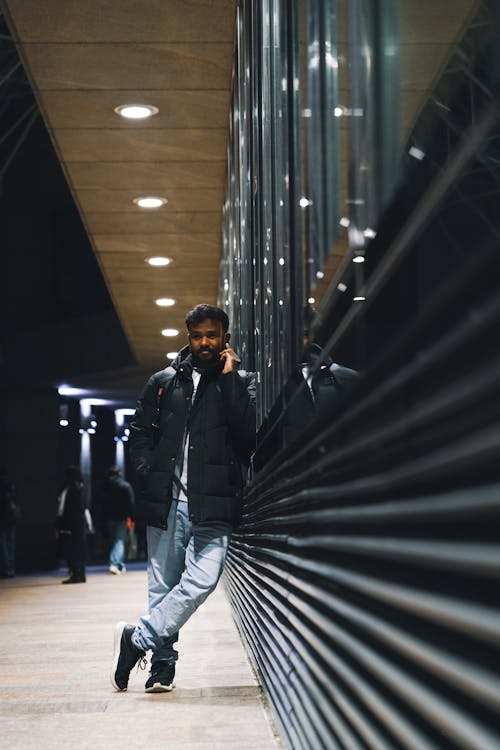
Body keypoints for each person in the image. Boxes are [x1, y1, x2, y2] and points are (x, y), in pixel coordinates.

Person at [111, 303, 256, 693]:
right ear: (188, 336)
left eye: (212, 334)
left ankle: (136, 639)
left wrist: (229, 381)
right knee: (163, 586)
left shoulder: (242, 380)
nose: (205, 342)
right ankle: (162, 667)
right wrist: (146, 471)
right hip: (168, 500)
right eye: (198, 335)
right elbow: (140, 432)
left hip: (215, 501)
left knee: (202, 581)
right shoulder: (164, 380)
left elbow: (247, 437)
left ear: (225, 335)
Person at [55, 465, 92, 584]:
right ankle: (81, 574)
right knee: (80, 549)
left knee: (72, 549)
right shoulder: (81, 488)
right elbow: (85, 508)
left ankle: (75, 574)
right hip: (80, 523)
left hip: (70, 524)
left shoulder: (68, 489)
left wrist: (60, 524)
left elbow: (62, 509)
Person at [100, 465, 135, 575]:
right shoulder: (125, 486)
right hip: (122, 517)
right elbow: (131, 503)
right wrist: (132, 517)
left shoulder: (106, 486)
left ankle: (120, 565)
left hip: (109, 517)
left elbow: (102, 503)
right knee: (119, 540)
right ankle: (115, 564)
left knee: (114, 540)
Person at [0, 471, 19, 578]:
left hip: (2, 519)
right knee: (10, 544)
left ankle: (7, 568)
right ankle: (11, 568)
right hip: (11, 519)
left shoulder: (2, 488)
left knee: (3, 545)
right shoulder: (12, 487)